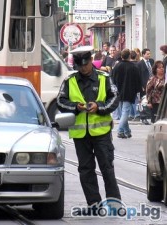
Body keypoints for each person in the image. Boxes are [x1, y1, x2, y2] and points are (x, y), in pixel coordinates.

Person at [56, 46, 121, 210]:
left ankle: (114, 202)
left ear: (91, 61)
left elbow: (114, 99)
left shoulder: (104, 78)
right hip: (80, 134)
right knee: (86, 169)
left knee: (106, 167)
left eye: (85, 64)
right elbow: (60, 102)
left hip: (101, 133)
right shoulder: (69, 81)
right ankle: (94, 203)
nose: (83, 68)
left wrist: (99, 107)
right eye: (80, 65)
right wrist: (75, 107)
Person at [111, 49, 142, 138]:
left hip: (118, 92)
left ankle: (127, 131)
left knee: (123, 113)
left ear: (121, 56)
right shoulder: (133, 67)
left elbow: (113, 78)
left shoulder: (117, 66)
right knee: (125, 112)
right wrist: (138, 91)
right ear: (129, 56)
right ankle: (120, 131)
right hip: (129, 92)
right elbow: (137, 81)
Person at [136, 48, 154, 125]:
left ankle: (152, 116)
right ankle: (143, 117)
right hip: (144, 86)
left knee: (151, 100)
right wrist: (141, 86)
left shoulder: (152, 61)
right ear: (143, 55)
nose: (149, 55)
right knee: (143, 102)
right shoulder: (139, 64)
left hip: (152, 84)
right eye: (147, 54)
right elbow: (138, 76)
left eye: (149, 54)